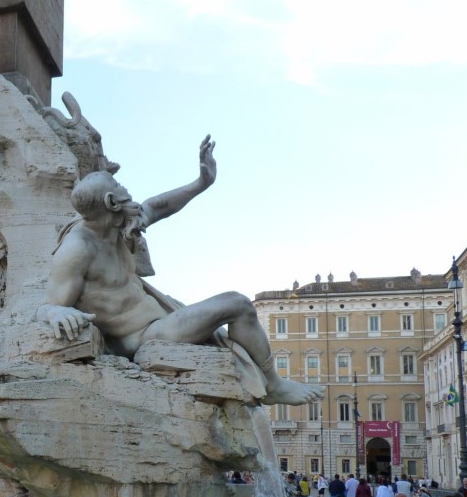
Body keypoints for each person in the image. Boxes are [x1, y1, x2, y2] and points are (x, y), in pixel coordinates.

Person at [36, 137, 325, 407]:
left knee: (229, 313)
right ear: (112, 202)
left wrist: (202, 182)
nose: (127, 188)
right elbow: (48, 306)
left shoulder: (115, 222)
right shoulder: (78, 249)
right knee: (237, 304)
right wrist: (55, 312)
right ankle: (274, 385)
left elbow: (157, 207)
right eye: (119, 185)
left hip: (162, 315)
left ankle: (269, 380)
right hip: (144, 336)